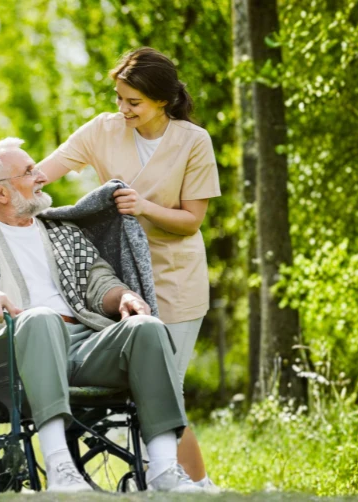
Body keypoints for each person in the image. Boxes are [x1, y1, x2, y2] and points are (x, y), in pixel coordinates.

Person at [0, 137, 203, 493]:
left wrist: (124, 296)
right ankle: (60, 468)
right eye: (29, 171)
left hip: (84, 346)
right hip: (11, 351)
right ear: (0, 192)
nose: (41, 176)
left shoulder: (62, 233)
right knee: (41, 317)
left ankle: (164, 469)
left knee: (146, 327)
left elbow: (99, 281)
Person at [36, 47, 221, 488]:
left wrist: (144, 207)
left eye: (133, 102)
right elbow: (41, 174)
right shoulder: (102, 130)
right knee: (141, 386)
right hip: (121, 279)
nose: (123, 109)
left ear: (163, 100)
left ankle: (193, 484)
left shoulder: (194, 141)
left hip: (176, 277)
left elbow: (192, 220)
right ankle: (178, 481)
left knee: (167, 386)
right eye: (119, 98)